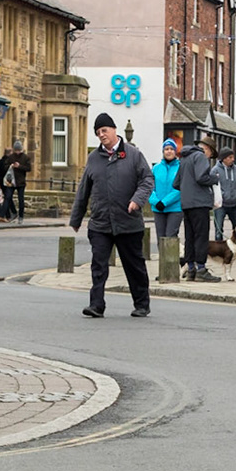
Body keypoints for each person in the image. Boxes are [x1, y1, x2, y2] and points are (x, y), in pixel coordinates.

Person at [70, 113, 154, 318]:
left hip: (128, 222)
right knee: (98, 265)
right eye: (98, 133)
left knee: (134, 265)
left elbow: (147, 180)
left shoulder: (133, 155)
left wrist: (137, 200)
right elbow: (84, 189)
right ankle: (96, 305)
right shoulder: (93, 158)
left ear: (114, 130)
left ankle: (142, 304)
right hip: (100, 222)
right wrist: (76, 218)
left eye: (104, 130)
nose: (101, 135)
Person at [175, 138, 217, 282]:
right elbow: (201, 177)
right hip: (200, 203)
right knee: (201, 237)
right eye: (211, 154)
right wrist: (214, 178)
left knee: (190, 237)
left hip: (186, 204)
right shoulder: (200, 156)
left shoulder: (184, 158)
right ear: (207, 149)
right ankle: (201, 270)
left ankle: (191, 269)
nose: (210, 157)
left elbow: (176, 183)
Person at [149, 140, 184, 241]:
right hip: (158, 208)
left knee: (170, 237)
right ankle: (161, 257)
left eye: (172, 149)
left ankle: (171, 257)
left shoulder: (180, 168)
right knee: (160, 238)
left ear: (175, 151)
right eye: (166, 149)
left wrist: (165, 202)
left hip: (175, 208)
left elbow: (180, 188)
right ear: (163, 151)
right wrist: (156, 201)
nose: (169, 151)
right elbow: (149, 186)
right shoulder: (156, 168)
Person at [211, 149, 236, 243]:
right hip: (221, 205)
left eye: (233, 157)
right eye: (230, 157)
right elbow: (212, 185)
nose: (233, 159)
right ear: (223, 158)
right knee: (219, 230)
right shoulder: (215, 170)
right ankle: (219, 251)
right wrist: (221, 195)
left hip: (233, 204)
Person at [6, 141, 33, 221]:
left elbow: (29, 168)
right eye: (16, 150)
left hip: (21, 181)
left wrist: (19, 166)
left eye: (19, 150)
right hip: (12, 181)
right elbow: (6, 166)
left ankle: (21, 216)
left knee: (21, 199)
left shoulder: (26, 157)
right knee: (8, 197)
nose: (17, 152)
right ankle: (14, 212)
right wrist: (11, 166)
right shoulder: (11, 157)